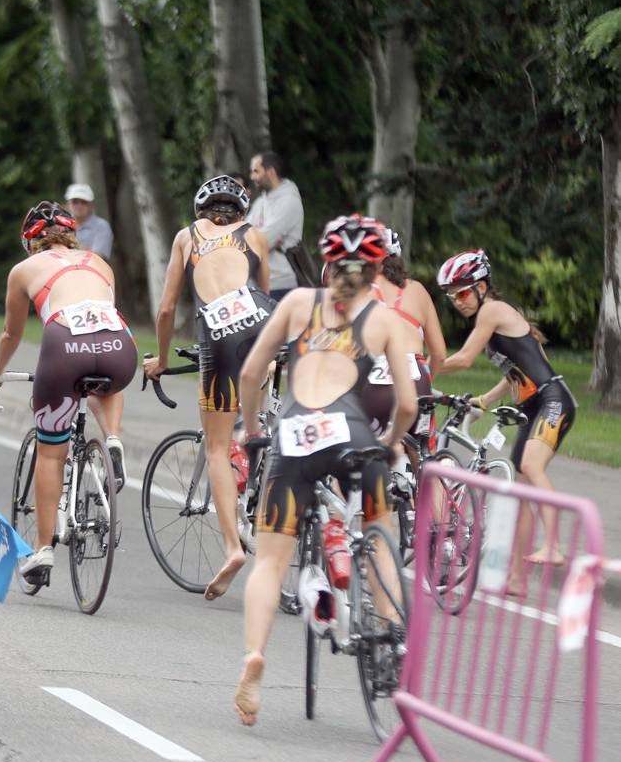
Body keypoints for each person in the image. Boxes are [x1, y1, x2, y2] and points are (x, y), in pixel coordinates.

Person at [234, 213, 417, 727]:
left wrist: (252, 431)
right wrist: (390, 442)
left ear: (325, 262)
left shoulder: (295, 304)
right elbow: (406, 403)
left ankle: (254, 654)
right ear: (377, 268)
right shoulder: (383, 319)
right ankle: (389, 641)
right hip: (355, 436)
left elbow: (251, 373)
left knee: (270, 561)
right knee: (380, 537)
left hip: (293, 440)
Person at [0, 201, 137, 583]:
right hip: (120, 348)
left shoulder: (24, 270)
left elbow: (11, 334)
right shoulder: (100, 263)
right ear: (71, 235)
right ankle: (112, 438)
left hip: (64, 344)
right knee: (105, 377)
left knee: (52, 454)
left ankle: (43, 549)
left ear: (30, 241)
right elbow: (102, 321)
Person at [144, 175, 273, 600]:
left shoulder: (187, 237)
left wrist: (161, 360)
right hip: (261, 327)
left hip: (217, 334)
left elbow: (166, 310)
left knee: (217, 448)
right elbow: (265, 296)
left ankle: (233, 547)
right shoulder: (256, 237)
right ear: (241, 213)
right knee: (259, 423)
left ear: (202, 211)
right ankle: (263, 468)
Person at [436, 249, 576, 588]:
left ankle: (555, 545)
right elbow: (515, 372)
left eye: (464, 291)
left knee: (531, 465)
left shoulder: (494, 310)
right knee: (521, 495)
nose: (458, 301)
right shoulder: (498, 318)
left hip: (553, 400)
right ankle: (516, 578)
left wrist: (422, 364)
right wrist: (485, 400)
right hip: (530, 408)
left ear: (482, 286)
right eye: (452, 296)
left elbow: (466, 358)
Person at [360, 226, 447, 443]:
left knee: (361, 454)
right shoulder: (417, 290)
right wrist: (425, 381)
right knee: (424, 462)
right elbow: (439, 355)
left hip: (372, 380)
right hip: (415, 377)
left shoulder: (361, 290)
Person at [246, 151, 304, 300]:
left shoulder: (289, 202)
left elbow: (263, 241)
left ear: (271, 172)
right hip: (256, 284)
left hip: (281, 285)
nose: (252, 177)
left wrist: (260, 240)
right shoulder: (260, 203)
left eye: (256, 171)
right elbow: (242, 237)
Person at [65, 183, 113, 259]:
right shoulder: (61, 225)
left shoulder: (101, 226)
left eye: (84, 202)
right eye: (75, 202)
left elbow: (97, 257)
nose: (79, 205)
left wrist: (69, 248)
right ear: (68, 204)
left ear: (91, 205)